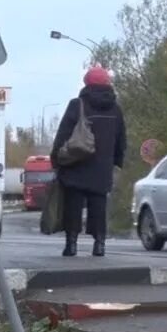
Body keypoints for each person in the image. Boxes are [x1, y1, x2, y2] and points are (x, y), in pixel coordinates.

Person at [50, 66, 127, 257]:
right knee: (98, 205)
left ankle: (71, 244)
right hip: (102, 168)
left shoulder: (77, 105)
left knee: (73, 205)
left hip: (76, 164)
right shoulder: (115, 109)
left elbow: (63, 134)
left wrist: (56, 159)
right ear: (107, 84)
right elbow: (121, 139)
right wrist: (116, 161)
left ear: (86, 83)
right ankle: (99, 244)